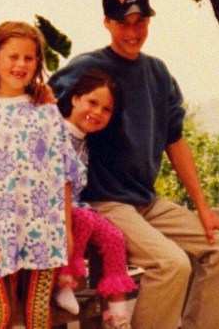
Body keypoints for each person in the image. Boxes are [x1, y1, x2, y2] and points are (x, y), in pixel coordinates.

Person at [49, 0, 219, 329]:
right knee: (171, 264)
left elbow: (176, 140)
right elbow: (43, 108)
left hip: (147, 201)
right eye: (123, 22)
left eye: (140, 21)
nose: (132, 31)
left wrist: (203, 209)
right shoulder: (86, 67)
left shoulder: (158, 72)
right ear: (107, 22)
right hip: (104, 201)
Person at [0, 21, 84, 328]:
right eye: (13, 56)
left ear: (37, 62)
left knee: (38, 313)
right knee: (3, 314)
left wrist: (66, 229)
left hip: (46, 228)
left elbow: (64, 175)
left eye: (29, 57)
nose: (21, 64)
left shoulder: (48, 114)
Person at [52, 68, 137, 328]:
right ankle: (65, 284)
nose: (97, 112)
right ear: (75, 98)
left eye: (106, 109)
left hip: (78, 207)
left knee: (114, 237)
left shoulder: (86, 141)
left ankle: (117, 313)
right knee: (85, 218)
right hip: (54, 209)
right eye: (92, 102)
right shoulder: (53, 131)